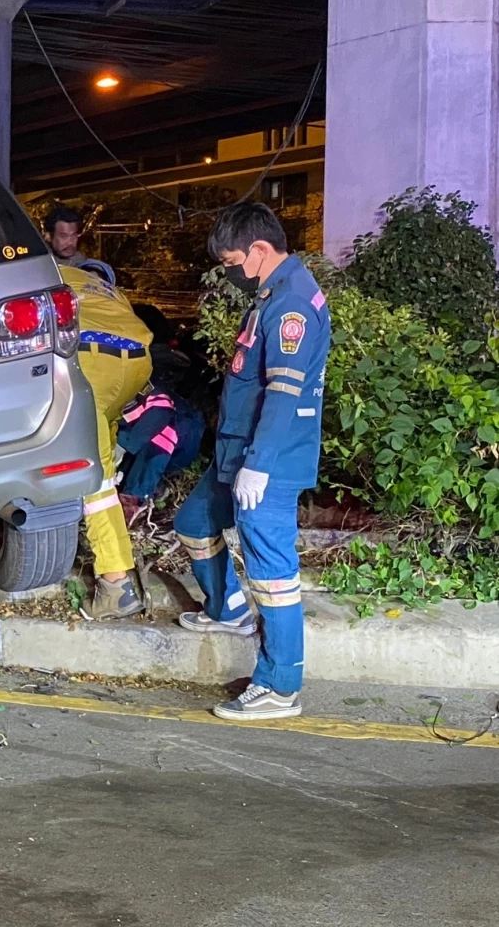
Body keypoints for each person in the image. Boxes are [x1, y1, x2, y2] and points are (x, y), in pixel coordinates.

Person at [173, 202, 329, 722]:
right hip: (236, 452)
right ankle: (227, 609)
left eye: (233, 261)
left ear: (260, 251)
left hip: (268, 459)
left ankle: (280, 685)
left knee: (273, 574)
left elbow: (284, 393)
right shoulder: (271, 293)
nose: (229, 272)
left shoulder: (291, 307)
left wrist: (259, 464)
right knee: (194, 522)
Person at [58, 262, 153, 621]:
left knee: (94, 477)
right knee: (104, 453)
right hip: (138, 360)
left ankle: (115, 584)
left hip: (89, 357)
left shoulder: (51, 272)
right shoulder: (109, 290)